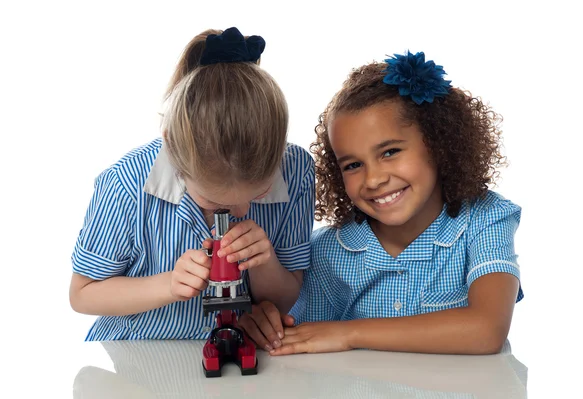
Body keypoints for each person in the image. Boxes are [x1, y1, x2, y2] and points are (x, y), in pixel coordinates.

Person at [239, 50, 523, 355]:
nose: (373, 179)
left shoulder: (485, 220)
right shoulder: (326, 254)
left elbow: (486, 329)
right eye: (352, 165)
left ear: (438, 143)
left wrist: (350, 333)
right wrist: (266, 324)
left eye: (389, 152)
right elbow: (303, 341)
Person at [69, 27, 315, 344]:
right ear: (174, 154)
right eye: (215, 202)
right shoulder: (126, 184)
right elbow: (82, 294)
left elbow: (286, 296)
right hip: (139, 356)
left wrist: (264, 262)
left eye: (259, 193)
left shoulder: (296, 170)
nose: (240, 212)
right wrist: (169, 284)